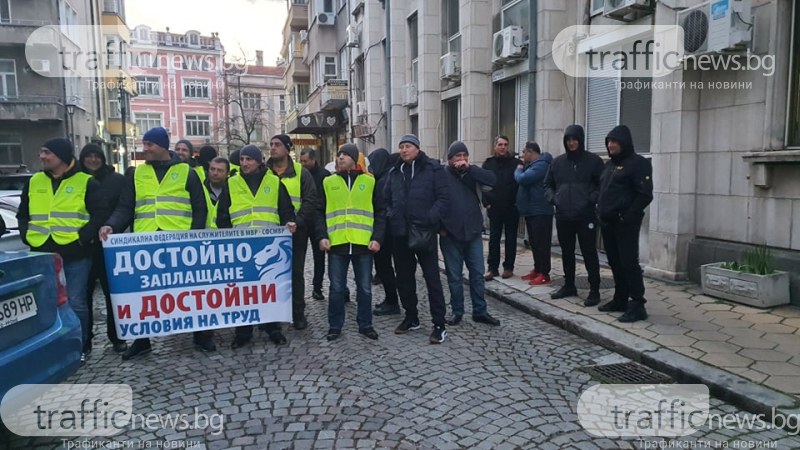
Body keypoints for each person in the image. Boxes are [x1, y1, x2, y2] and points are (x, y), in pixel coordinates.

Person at [99, 127, 213, 360]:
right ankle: (142, 341)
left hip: (179, 242)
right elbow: (125, 207)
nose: (145, 149)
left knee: (190, 290)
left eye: (149, 144)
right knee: (143, 294)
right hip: (146, 242)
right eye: (145, 144)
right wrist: (112, 225)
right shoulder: (138, 174)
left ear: (162, 146)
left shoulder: (186, 172)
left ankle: (201, 335)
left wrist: (195, 236)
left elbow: (199, 207)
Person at [17, 138, 108, 362]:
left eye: (47, 152)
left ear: (61, 156)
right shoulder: (34, 181)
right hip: (41, 251)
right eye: (41, 152)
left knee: (75, 302)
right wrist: (25, 234)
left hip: (75, 253)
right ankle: (51, 347)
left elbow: (99, 214)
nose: (42, 157)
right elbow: (23, 213)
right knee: (45, 302)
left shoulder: (86, 182)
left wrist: (81, 239)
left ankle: (79, 347)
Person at [215, 145, 296, 348]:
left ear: (259, 161)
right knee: (243, 291)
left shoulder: (274, 182)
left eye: (249, 159)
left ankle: (272, 328)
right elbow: (223, 215)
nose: (244, 163)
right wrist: (229, 238)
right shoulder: (231, 183)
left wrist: (290, 223)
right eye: (242, 159)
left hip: (267, 246)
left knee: (269, 288)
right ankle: (243, 332)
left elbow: (285, 209)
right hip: (241, 247)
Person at [385, 134, 450, 344]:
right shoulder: (394, 172)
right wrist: (392, 215)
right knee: (404, 278)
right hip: (400, 234)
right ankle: (411, 317)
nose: (404, 150)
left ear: (417, 149)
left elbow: (443, 197)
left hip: (424, 233)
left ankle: (439, 324)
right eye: (401, 146)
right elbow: (386, 199)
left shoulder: (432, 169)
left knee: (432, 279)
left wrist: (430, 218)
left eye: (408, 146)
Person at [318, 144, 385, 341]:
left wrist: (377, 238)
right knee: (336, 288)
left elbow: (381, 212)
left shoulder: (370, 182)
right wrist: (322, 236)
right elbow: (319, 212)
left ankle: (365, 324)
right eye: (339, 154)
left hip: (363, 244)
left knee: (364, 287)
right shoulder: (328, 182)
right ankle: (335, 326)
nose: (340, 158)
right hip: (336, 243)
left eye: (345, 155)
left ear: (355, 160)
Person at [440, 141, 500, 327]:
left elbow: (492, 180)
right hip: (450, 234)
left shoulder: (473, 173)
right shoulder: (441, 175)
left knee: (477, 274)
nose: (462, 159)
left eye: (464, 156)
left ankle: (480, 311)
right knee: (455, 277)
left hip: (473, 231)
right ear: (450, 159)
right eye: (458, 156)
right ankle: (457, 311)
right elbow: (432, 201)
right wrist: (440, 227)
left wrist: (471, 169)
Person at [597, 125, 653, 322]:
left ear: (624, 143)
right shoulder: (609, 165)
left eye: (614, 141)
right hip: (607, 222)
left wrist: (627, 216)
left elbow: (645, 195)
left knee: (629, 263)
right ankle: (620, 298)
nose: (610, 145)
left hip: (625, 223)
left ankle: (637, 303)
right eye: (608, 141)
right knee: (615, 262)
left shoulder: (638, 164)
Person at [266, 134, 322, 331]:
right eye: (271, 145)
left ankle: (298, 313)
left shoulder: (300, 172)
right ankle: (269, 316)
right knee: (269, 276)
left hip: (296, 232)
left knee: (296, 272)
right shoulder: (264, 172)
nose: (273, 148)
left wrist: (297, 222)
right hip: (270, 232)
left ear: (288, 148)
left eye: (277, 145)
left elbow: (310, 199)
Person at [544, 125, 604, 306]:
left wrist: (589, 199)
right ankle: (569, 285)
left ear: (581, 140)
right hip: (563, 215)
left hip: (585, 215)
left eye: (575, 139)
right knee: (566, 252)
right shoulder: (558, 162)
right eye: (568, 140)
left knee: (589, 252)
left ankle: (594, 289)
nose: (572, 143)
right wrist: (554, 199)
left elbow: (602, 185)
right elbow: (547, 184)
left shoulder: (593, 161)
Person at [79, 143, 127, 354]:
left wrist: (113, 227)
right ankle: (84, 339)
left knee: (112, 293)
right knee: (82, 294)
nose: (93, 160)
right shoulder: (77, 180)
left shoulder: (117, 180)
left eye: (96, 156)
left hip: (109, 244)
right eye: (88, 156)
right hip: (83, 245)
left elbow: (123, 207)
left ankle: (116, 337)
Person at [481, 135, 521, 280]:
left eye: (505, 144)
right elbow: (482, 185)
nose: (503, 147)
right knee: (494, 238)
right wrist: (487, 203)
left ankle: (509, 267)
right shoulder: (488, 164)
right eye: (500, 144)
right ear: (495, 146)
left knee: (511, 238)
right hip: (494, 207)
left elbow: (520, 184)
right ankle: (492, 268)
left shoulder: (516, 163)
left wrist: (517, 203)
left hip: (511, 207)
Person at [514, 142, 554, 286]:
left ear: (530, 152)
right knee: (535, 243)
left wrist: (518, 169)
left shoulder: (541, 165)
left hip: (541, 211)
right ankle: (537, 269)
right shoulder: (532, 165)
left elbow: (523, 179)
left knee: (542, 243)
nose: (522, 156)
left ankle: (545, 273)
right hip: (531, 211)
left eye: (524, 152)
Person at [368, 148, 401, 316]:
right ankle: (392, 300)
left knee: (384, 267)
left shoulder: (382, 180)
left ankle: (392, 301)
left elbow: (380, 209)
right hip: (394, 230)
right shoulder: (392, 175)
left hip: (385, 232)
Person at [299, 148, 330, 301]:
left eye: (306, 161)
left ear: (313, 159)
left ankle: (317, 287)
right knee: (300, 257)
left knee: (319, 257)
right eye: (301, 161)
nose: (303, 164)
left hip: (319, 221)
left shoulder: (324, 175)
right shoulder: (299, 174)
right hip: (303, 221)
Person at [203, 157, 230, 228]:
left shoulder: (232, 191)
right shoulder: (201, 189)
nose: (215, 173)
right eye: (212, 169)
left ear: (228, 174)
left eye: (220, 170)